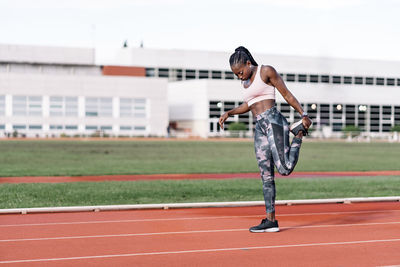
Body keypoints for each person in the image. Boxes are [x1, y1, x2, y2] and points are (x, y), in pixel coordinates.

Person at [219, 46, 312, 233]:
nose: (239, 76)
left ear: (248, 63)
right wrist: (229, 112)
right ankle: (270, 220)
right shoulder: (245, 83)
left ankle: (299, 134)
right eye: (235, 75)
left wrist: (303, 114)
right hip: (259, 127)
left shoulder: (265, 71)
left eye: (240, 72)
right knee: (266, 176)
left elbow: (286, 94)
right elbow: (249, 104)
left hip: (274, 122)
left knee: (284, 169)